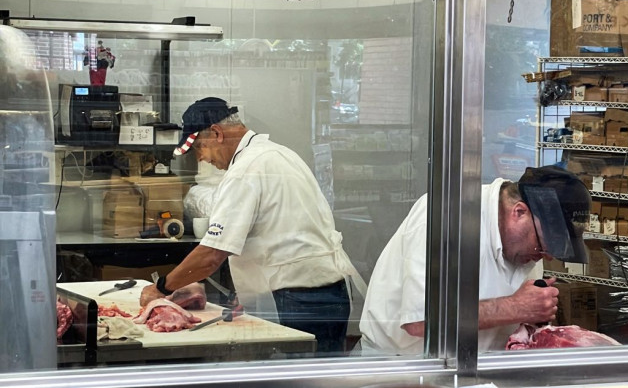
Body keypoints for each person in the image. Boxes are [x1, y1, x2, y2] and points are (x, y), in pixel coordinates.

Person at [140, 97, 366, 355]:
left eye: (200, 148)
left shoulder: (246, 170)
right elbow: (275, 231)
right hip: (328, 293)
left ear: (217, 133)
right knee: (320, 378)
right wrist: (251, 294)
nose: (202, 158)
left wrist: (161, 288)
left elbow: (211, 255)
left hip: (299, 300)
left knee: (299, 381)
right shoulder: (279, 154)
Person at [358, 165, 591, 355]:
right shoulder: (446, 216)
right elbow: (421, 321)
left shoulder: (528, 245)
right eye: (542, 244)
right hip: (399, 368)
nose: (545, 256)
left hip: (473, 368)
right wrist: (517, 307)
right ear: (519, 212)